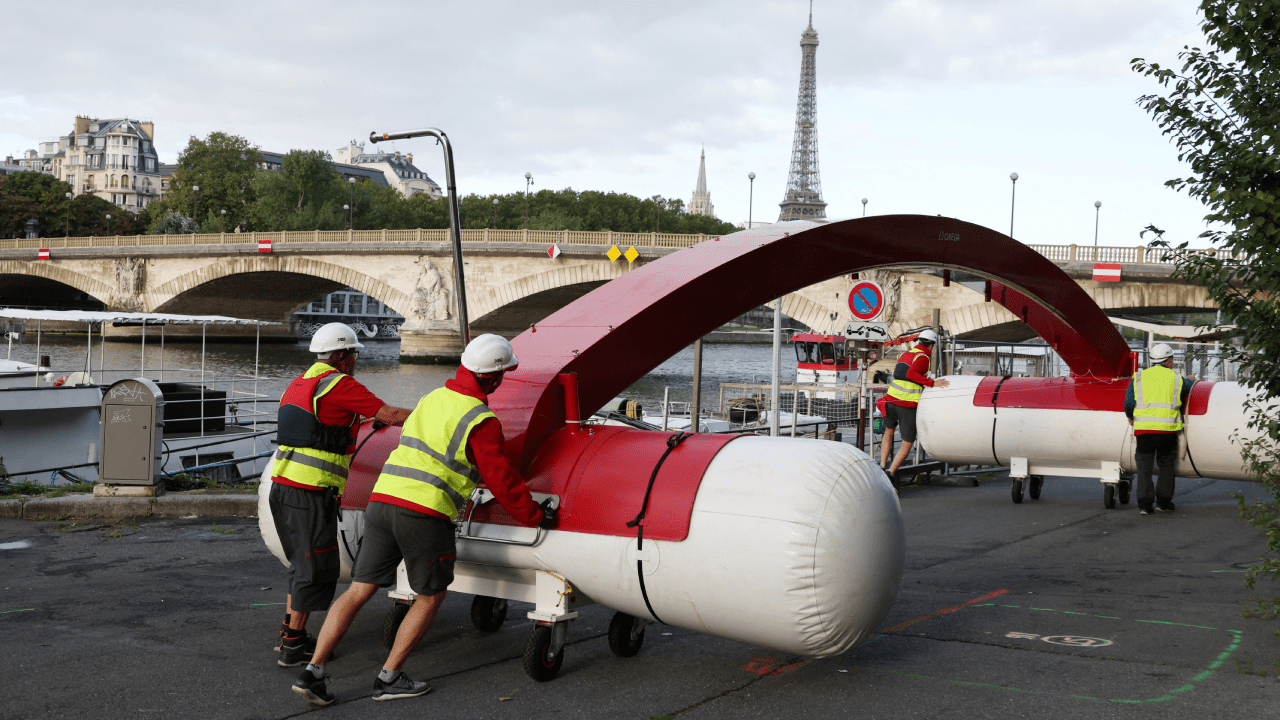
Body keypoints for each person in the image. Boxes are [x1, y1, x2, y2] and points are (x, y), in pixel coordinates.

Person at [292, 334, 557, 706]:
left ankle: (313, 672)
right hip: (424, 511)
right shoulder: (482, 420)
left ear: (465, 366)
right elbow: (501, 478)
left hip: (382, 502)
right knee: (431, 595)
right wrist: (533, 515)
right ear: (494, 379)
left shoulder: (432, 398)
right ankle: (389, 678)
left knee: (359, 589)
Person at [271, 322, 413, 667]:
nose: (355, 360)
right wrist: (432, 419)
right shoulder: (339, 384)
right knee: (315, 569)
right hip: (310, 491)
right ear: (343, 356)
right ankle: (293, 647)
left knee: (301, 564)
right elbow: (389, 415)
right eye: (353, 353)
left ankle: (291, 635)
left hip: (283, 486)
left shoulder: (300, 383)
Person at [1125, 343, 1194, 515]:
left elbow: (1129, 403)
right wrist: (1191, 380)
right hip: (1167, 430)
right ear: (1168, 361)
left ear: (1152, 361)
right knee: (1166, 465)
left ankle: (1145, 506)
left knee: (1144, 467)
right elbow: (1188, 387)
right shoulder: (1176, 378)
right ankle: (1163, 503)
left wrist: (1131, 417)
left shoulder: (1139, 376)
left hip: (1144, 430)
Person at [879, 329, 950, 482]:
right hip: (907, 404)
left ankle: (882, 466)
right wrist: (932, 383)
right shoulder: (923, 356)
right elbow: (912, 375)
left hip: (891, 399)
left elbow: (902, 375)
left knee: (888, 433)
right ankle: (890, 474)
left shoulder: (907, 354)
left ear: (919, 341)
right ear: (931, 345)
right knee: (907, 442)